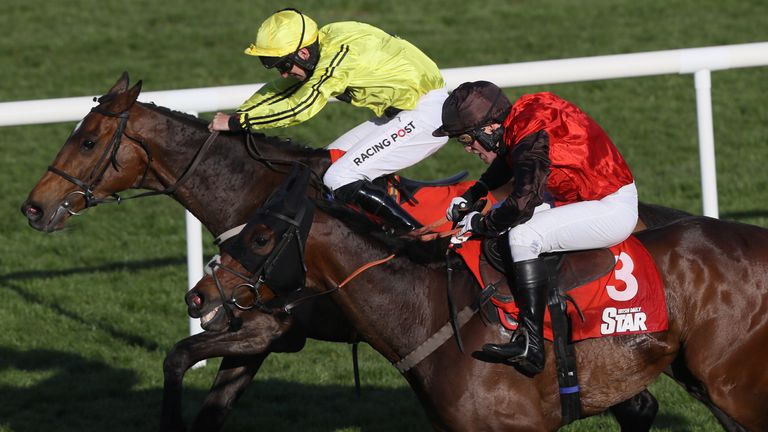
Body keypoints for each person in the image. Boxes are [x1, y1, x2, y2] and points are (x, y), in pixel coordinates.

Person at [433, 81, 638, 375]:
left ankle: (532, 344)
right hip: (582, 197)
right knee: (503, 220)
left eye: (467, 139)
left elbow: (523, 202)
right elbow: (511, 158)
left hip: (611, 207)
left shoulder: (529, 130)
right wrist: (474, 193)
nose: (467, 148)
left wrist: (480, 222)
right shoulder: (521, 116)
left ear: (489, 128)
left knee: (522, 235)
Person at [208, 8, 449, 232]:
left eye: (283, 65)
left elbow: (300, 107)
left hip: (426, 115)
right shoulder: (324, 42)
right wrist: (240, 114)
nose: (283, 73)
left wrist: (238, 123)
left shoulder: (337, 59)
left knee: (338, 177)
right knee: (321, 168)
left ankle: (418, 241)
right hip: (405, 112)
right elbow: (280, 88)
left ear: (303, 53)